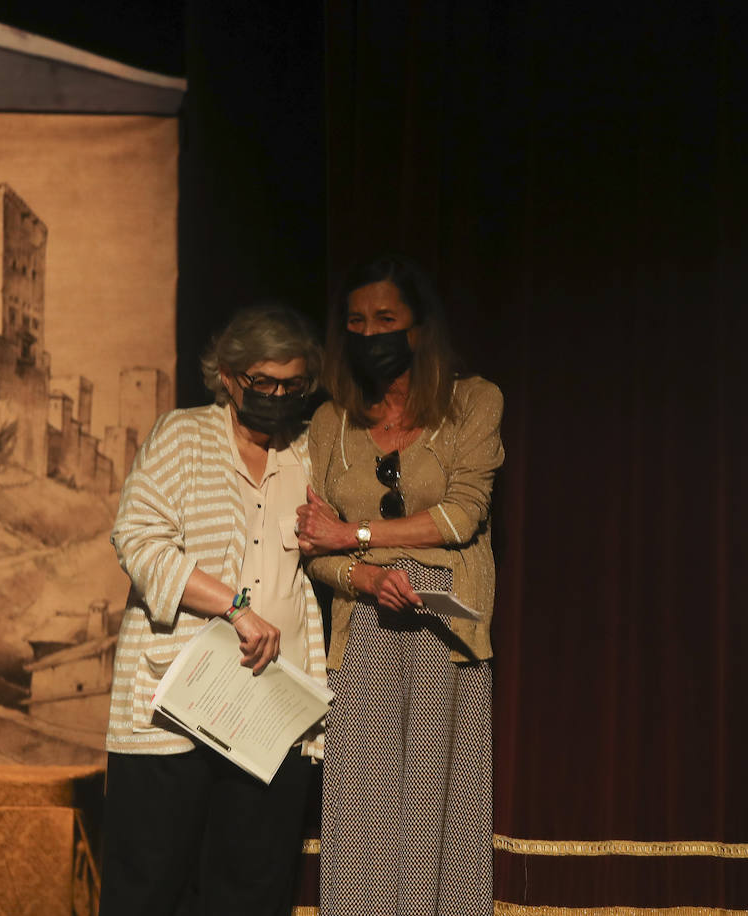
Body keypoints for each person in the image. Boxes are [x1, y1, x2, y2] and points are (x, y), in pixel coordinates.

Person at [98, 303, 328, 916]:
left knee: (252, 889)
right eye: (263, 383)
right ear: (227, 376)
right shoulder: (183, 436)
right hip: (173, 707)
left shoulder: (308, 454)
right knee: (148, 886)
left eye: (293, 386)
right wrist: (235, 608)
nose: (278, 397)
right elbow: (138, 539)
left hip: (270, 708)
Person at [293, 254, 503, 915]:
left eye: (386, 318)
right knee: (361, 810)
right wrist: (365, 576)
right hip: (364, 633)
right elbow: (311, 546)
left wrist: (353, 538)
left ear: (419, 327)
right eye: (356, 321)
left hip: (445, 631)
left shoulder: (474, 401)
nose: (370, 333)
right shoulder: (331, 423)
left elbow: (460, 516)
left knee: (438, 816)